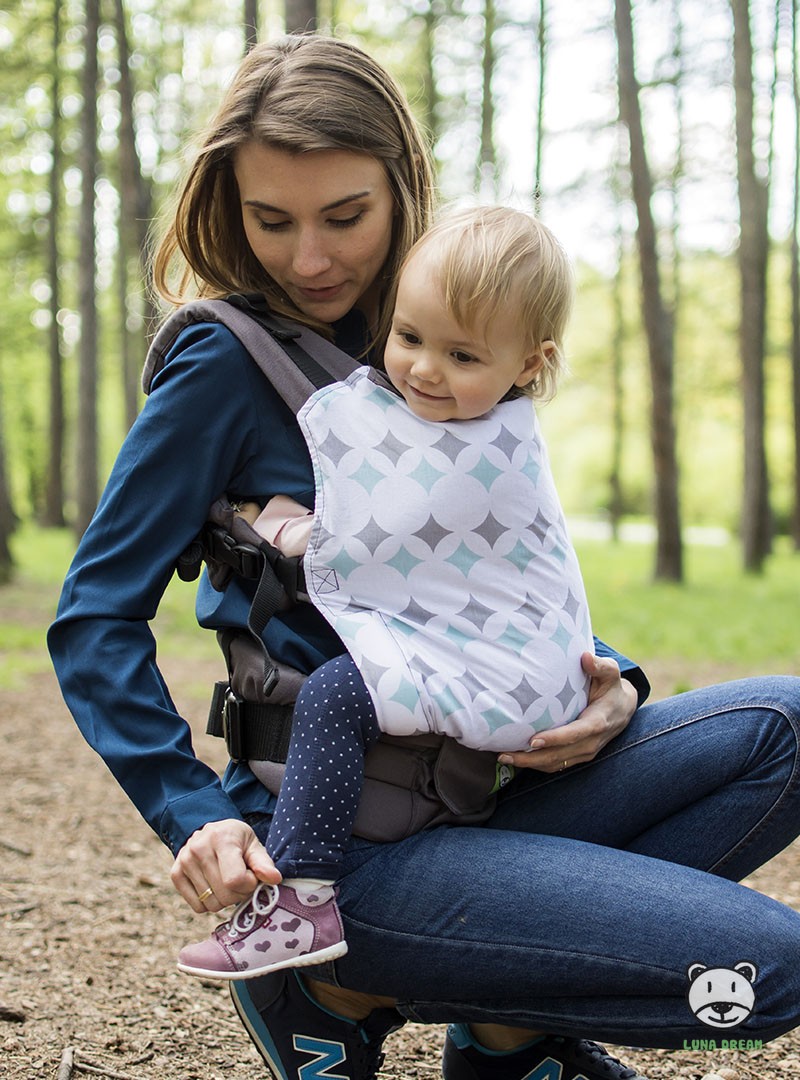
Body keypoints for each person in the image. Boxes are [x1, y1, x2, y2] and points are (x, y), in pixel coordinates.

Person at [47, 32, 800, 1080]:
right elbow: (91, 617)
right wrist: (190, 813)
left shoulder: (455, 332)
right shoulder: (227, 363)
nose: (308, 259)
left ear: (403, 188)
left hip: (488, 782)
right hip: (344, 836)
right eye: (272, 221)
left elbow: (496, 569)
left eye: (344, 218)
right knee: (767, 967)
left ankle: (498, 1032)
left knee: (785, 728)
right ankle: (330, 975)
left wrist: (607, 680)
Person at [176, 205, 595, 982]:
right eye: (408, 338)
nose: (424, 371)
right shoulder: (476, 419)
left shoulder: (493, 455)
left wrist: (283, 530)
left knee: (339, 693)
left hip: (499, 669)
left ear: (530, 364)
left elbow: (381, 545)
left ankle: (303, 897)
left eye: (462, 355)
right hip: (485, 653)